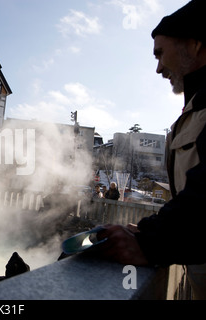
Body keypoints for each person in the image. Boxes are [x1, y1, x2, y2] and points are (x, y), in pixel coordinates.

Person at [95, 0, 206, 300]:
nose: (157, 68)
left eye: (160, 53)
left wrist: (150, 243)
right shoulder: (193, 111)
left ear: (195, 44)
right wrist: (149, 229)